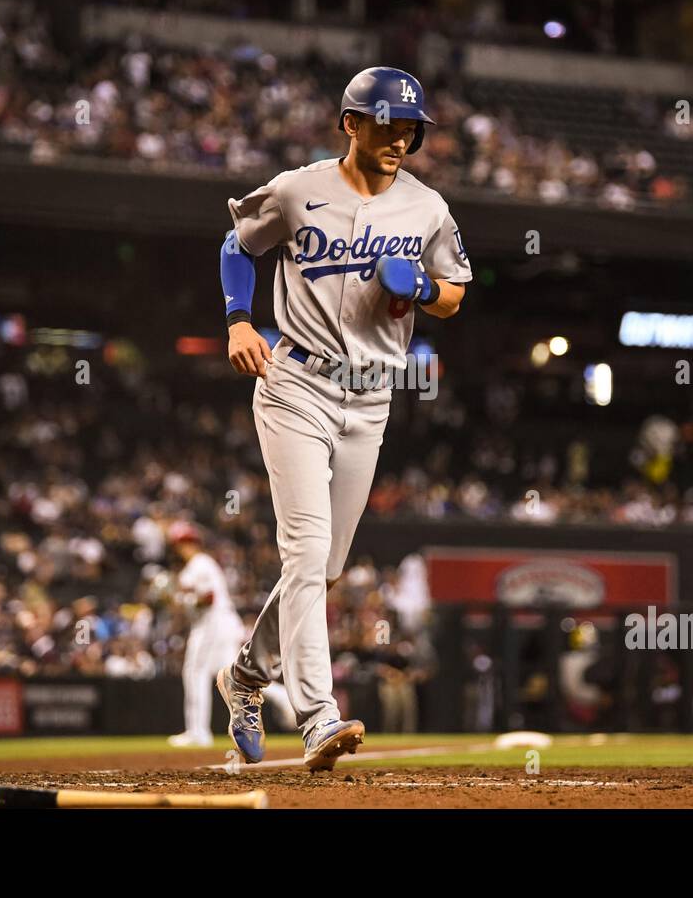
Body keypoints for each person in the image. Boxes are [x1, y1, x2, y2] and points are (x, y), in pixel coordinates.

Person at [215, 66, 472, 770]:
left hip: (372, 394)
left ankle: (244, 677)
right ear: (351, 124)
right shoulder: (300, 188)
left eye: (409, 128)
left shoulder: (426, 207)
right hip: (295, 381)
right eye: (386, 124)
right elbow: (238, 244)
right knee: (305, 550)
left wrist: (421, 286)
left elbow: (454, 292)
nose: (399, 138)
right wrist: (239, 320)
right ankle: (317, 716)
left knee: (326, 569)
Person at [165, 521, 245, 748]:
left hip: (213, 624)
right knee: (235, 679)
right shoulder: (198, 565)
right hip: (223, 624)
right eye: (181, 543)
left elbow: (208, 598)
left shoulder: (199, 564)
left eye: (185, 542)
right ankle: (285, 702)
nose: (183, 547)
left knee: (195, 671)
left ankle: (198, 732)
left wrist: (182, 599)